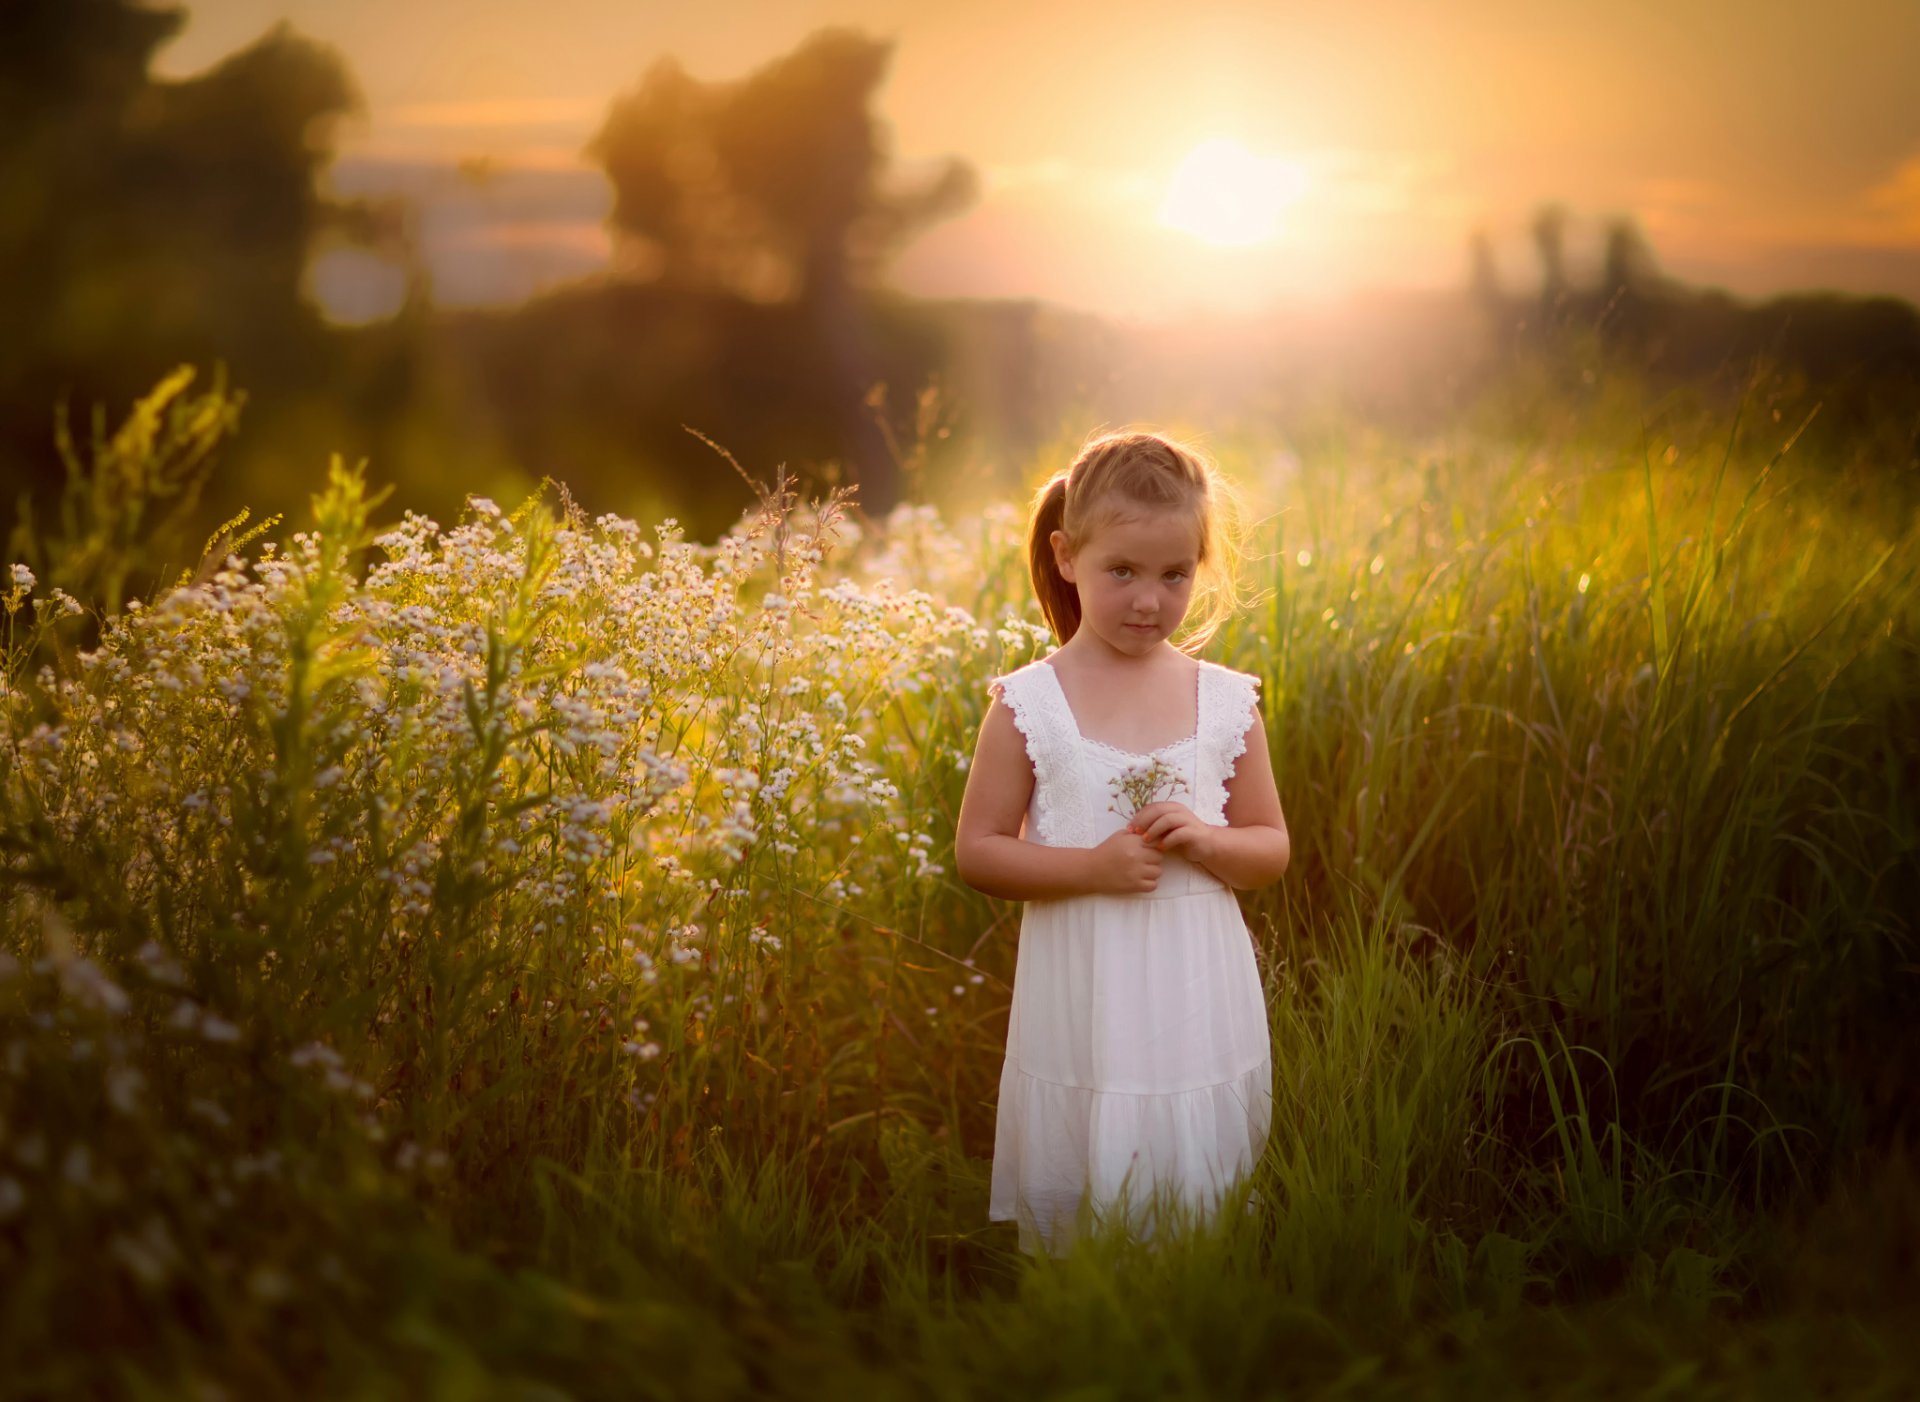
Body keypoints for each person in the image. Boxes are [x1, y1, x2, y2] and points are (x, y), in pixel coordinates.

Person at [954, 428, 1291, 1257]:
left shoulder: (1224, 700)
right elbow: (979, 849)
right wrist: (1094, 867)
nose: (1150, 600)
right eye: (1124, 573)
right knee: (1093, 1152)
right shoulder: (1030, 703)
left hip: (1193, 988)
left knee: (1195, 1189)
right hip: (1086, 990)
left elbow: (1271, 847)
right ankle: (1086, 1317)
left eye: (1175, 575)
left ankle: (1196, 1310)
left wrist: (1209, 844)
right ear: (1067, 556)